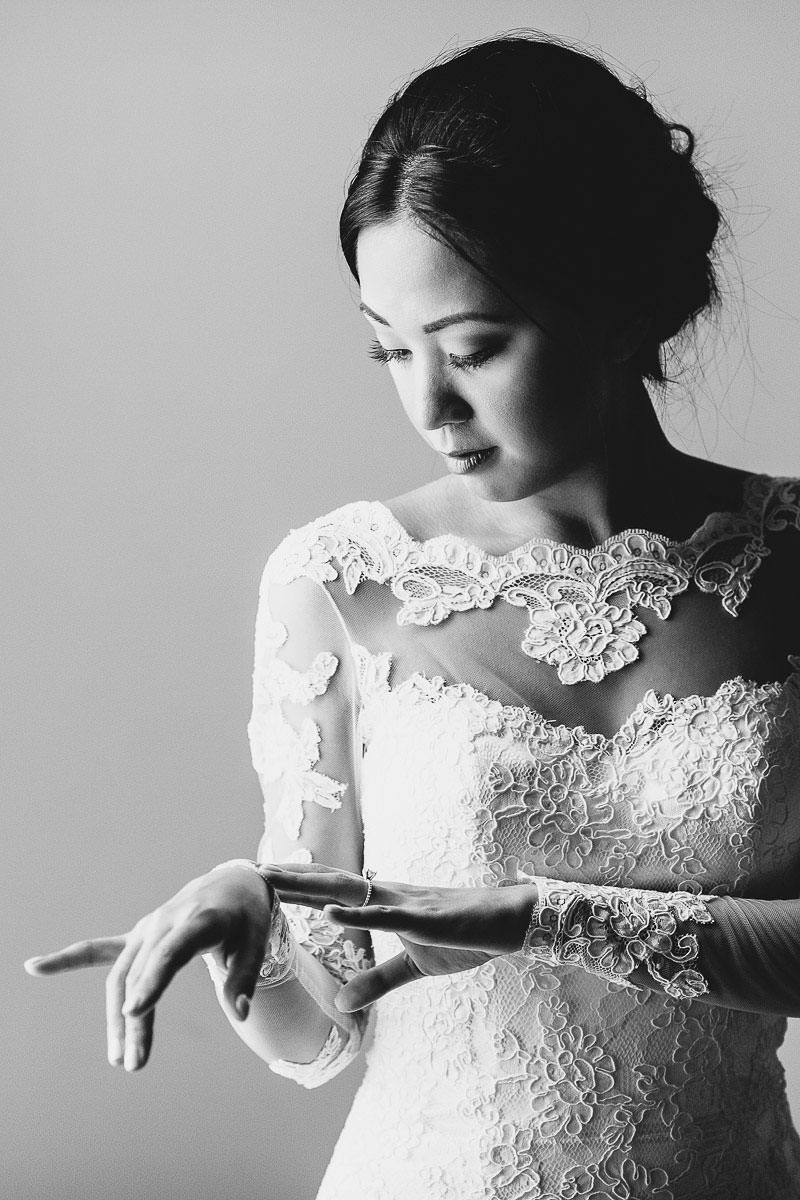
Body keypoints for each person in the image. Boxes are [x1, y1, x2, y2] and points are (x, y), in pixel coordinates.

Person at [25, 33, 800, 1200]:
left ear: (611, 302)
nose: (429, 403)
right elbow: (319, 1027)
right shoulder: (337, 583)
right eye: (389, 349)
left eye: (471, 348)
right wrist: (255, 935)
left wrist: (537, 916)